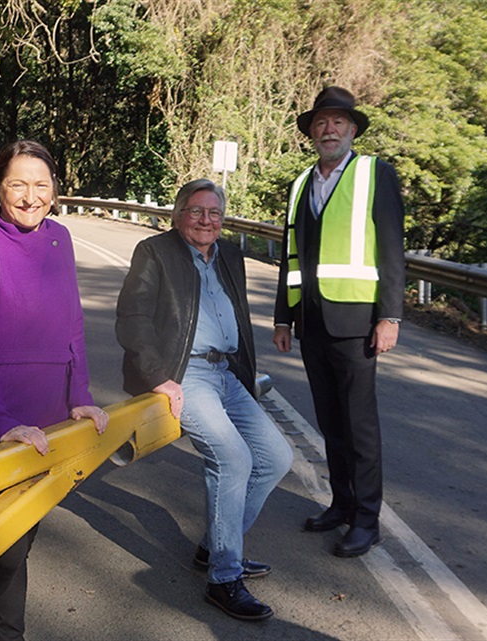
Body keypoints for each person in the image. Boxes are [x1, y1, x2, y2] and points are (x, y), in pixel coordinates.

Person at [0, 139, 107, 641]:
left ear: (55, 189)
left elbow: (72, 324)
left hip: (49, 419)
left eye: (41, 184)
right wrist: (3, 424)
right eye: (17, 184)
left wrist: (81, 394)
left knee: (19, 541)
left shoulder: (61, 239)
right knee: (5, 546)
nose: (30, 197)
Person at [116, 179, 293, 622]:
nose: (206, 221)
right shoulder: (155, 252)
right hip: (185, 372)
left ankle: (218, 545)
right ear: (178, 216)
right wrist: (158, 376)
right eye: (196, 211)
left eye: (214, 213)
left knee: (276, 457)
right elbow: (132, 316)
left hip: (226, 373)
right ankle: (223, 578)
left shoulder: (230, 254)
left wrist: (246, 376)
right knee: (233, 459)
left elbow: (241, 319)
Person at [272, 86, 405, 558]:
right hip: (311, 321)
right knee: (331, 422)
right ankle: (342, 503)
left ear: (352, 130)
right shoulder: (301, 183)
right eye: (321, 122)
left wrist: (389, 316)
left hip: (356, 322)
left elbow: (391, 250)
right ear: (311, 132)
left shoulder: (374, 174)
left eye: (338, 122)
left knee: (360, 425)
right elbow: (292, 257)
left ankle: (367, 520)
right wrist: (283, 317)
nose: (329, 129)